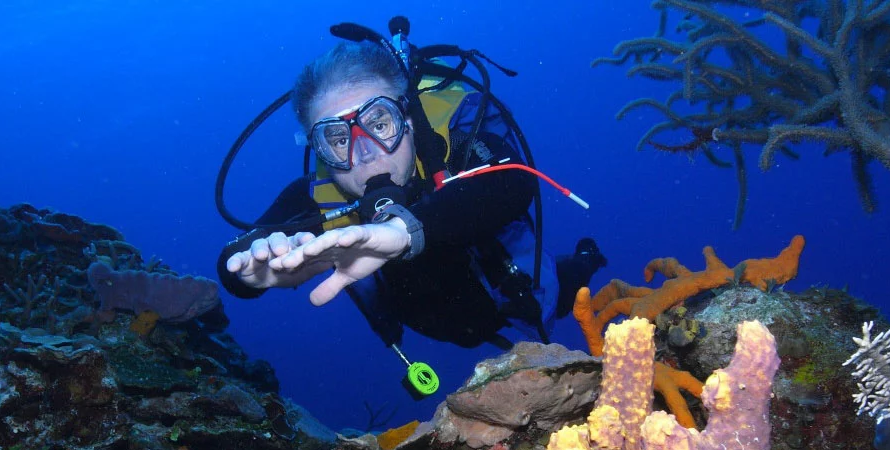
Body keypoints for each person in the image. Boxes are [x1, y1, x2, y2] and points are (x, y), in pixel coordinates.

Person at [217, 39, 605, 356]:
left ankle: (587, 256)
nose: (365, 153)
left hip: (515, 290)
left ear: (408, 118)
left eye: (379, 123)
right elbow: (234, 257)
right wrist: (254, 273)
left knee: (565, 290)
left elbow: (512, 181)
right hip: (440, 321)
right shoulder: (320, 195)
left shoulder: (457, 143)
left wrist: (405, 231)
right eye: (337, 139)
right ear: (320, 151)